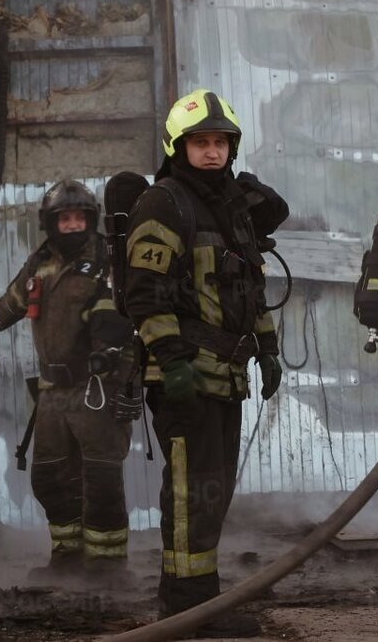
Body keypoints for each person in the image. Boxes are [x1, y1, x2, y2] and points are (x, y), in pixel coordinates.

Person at [123, 88, 288, 638]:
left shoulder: (231, 209)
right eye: (200, 142)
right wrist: (172, 362)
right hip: (185, 376)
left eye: (220, 142)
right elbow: (144, 294)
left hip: (226, 376)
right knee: (190, 494)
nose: (212, 151)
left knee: (212, 495)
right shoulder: (164, 204)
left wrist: (268, 350)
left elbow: (250, 290)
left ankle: (195, 605)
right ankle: (188, 612)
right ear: (179, 147)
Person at [0, 178, 140, 577]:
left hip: (96, 389)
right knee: (50, 478)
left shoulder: (108, 260)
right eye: (65, 219)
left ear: (92, 220)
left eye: (80, 218)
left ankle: (107, 565)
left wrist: (109, 351)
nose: (73, 225)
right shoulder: (39, 264)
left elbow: (117, 314)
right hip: (52, 394)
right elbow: (6, 307)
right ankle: (67, 557)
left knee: (100, 480)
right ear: (50, 223)